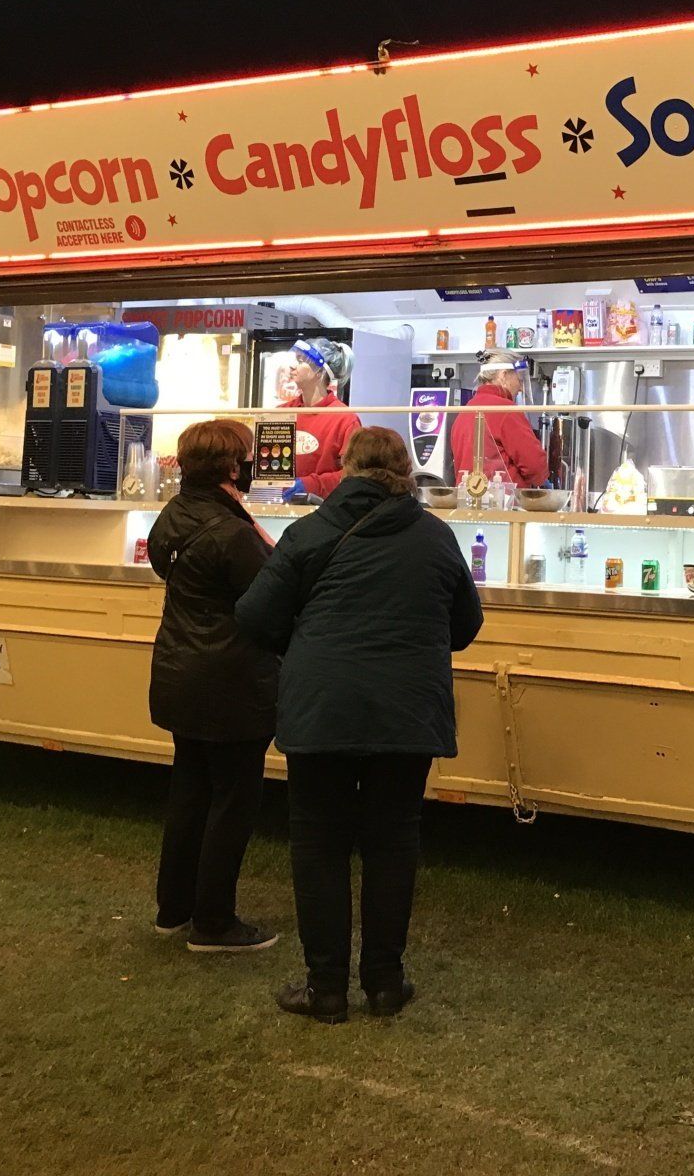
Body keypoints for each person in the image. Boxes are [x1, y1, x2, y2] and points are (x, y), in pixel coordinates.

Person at [234, 426, 484, 1022]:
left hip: (322, 705)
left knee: (318, 843)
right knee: (392, 840)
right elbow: (466, 627)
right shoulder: (436, 536)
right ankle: (384, 983)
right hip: (407, 709)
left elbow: (253, 617)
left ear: (345, 467)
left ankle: (325, 989)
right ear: (405, 472)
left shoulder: (309, 532)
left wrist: (304, 643)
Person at [146, 418, 282, 953]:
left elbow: (166, 568)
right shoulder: (232, 534)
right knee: (233, 801)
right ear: (232, 467)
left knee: (190, 793)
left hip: (180, 672)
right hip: (231, 682)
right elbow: (270, 599)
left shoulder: (172, 516)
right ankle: (215, 922)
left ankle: (174, 908)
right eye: (246, 458)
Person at [449, 352, 548, 488]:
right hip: (503, 504)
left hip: (467, 501)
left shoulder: (464, 412)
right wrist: (542, 480)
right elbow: (535, 465)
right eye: (519, 380)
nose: (520, 388)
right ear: (504, 375)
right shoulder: (506, 411)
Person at [281, 337, 361, 498]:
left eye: (300, 360)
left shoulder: (344, 419)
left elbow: (354, 474)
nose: (292, 366)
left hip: (326, 510)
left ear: (320, 371)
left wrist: (311, 484)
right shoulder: (280, 413)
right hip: (277, 508)